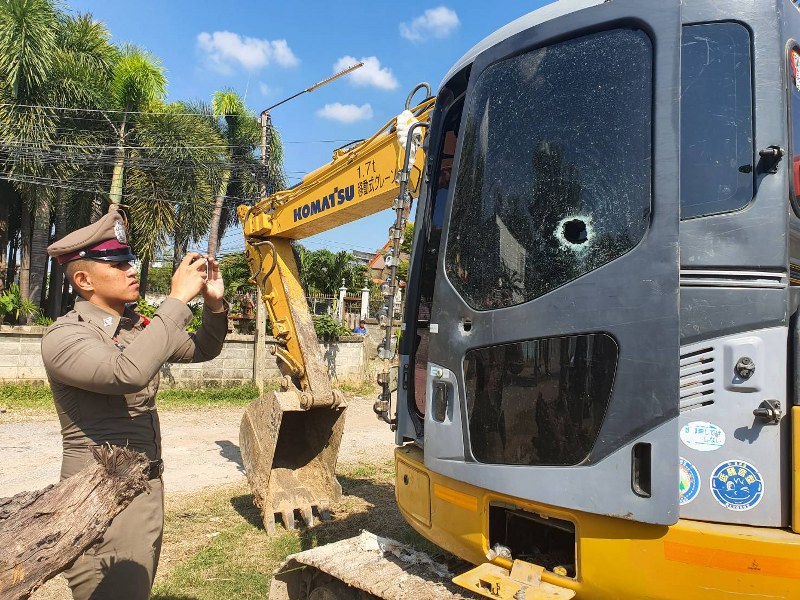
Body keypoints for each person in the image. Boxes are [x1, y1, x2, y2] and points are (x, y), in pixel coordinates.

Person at [40, 207, 228, 600]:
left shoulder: (134, 329)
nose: (131, 271)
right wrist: (176, 299)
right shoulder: (65, 336)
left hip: (143, 488)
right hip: (100, 497)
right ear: (83, 280)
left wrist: (213, 305)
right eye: (118, 264)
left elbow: (202, 349)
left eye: (130, 262)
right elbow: (126, 373)